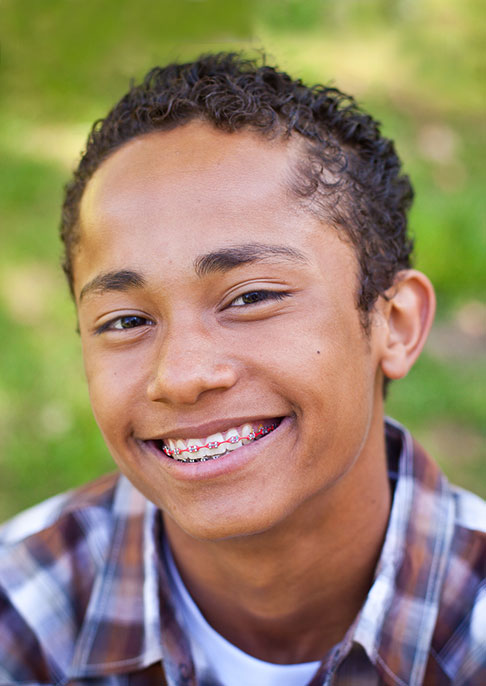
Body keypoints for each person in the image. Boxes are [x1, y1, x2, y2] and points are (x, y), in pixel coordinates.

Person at [0, 53, 484, 686]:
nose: (179, 375)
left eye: (253, 297)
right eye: (125, 321)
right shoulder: (24, 612)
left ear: (394, 324)